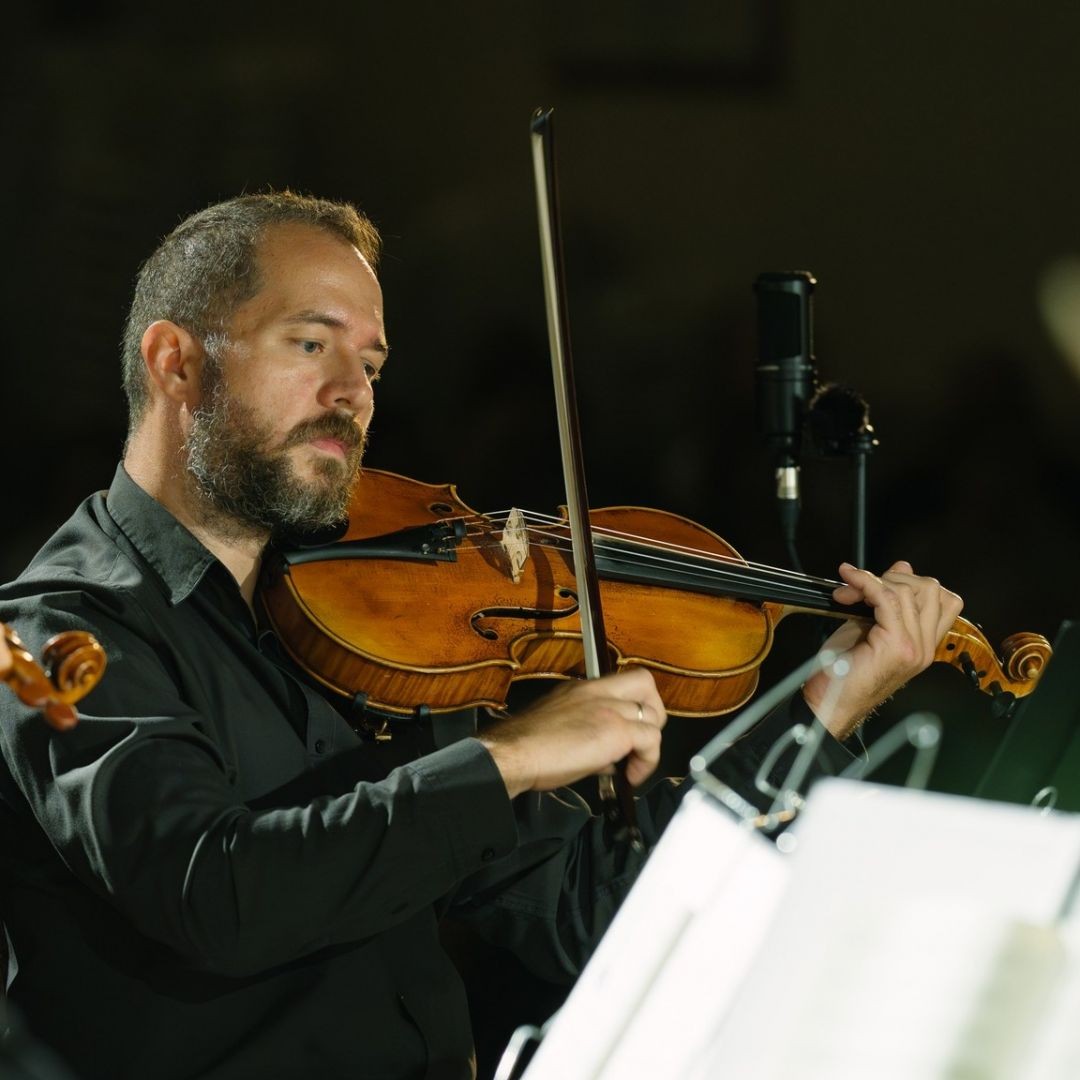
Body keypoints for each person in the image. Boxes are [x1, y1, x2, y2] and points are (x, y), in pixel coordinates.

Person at [0, 192, 962, 1080]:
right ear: (175, 361)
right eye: (310, 343)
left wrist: (827, 702)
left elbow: (602, 908)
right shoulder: (57, 631)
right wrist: (506, 759)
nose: (353, 392)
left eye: (371, 364)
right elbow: (217, 894)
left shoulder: (381, 625)